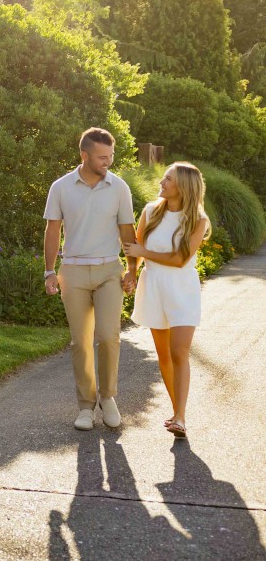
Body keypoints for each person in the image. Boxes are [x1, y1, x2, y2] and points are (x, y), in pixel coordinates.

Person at [43, 127, 138, 431]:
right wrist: (49, 271)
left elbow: (127, 231)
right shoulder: (61, 187)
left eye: (110, 156)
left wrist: (132, 269)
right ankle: (86, 405)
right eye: (101, 157)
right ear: (84, 155)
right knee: (81, 342)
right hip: (73, 271)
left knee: (109, 336)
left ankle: (107, 398)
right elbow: (53, 230)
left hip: (109, 269)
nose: (108, 161)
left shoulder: (119, 187)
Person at [122, 162, 210, 439]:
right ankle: (176, 412)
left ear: (183, 186)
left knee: (179, 352)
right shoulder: (150, 211)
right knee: (164, 355)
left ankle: (180, 417)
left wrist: (144, 252)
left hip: (182, 289)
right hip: (154, 286)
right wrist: (132, 271)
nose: (162, 182)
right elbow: (133, 248)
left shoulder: (198, 220)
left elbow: (180, 259)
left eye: (168, 179)